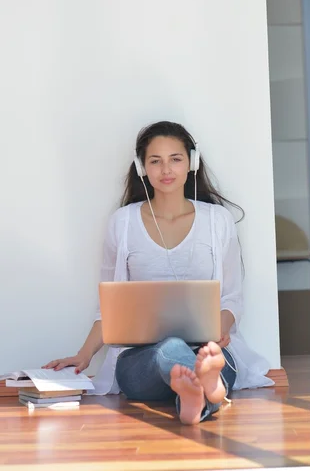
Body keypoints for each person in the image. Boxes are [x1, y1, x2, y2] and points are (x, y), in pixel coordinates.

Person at [43, 121, 273, 424]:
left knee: (206, 357)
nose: (166, 170)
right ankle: (211, 391)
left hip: (207, 348)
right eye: (156, 161)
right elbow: (110, 307)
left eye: (175, 159)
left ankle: (194, 399)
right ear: (142, 167)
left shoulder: (218, 220)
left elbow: (232, 297)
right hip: (142, 360)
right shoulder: (122, 223)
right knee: (170, 349)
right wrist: (84, 355)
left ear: (192, 162)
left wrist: (220, 328)